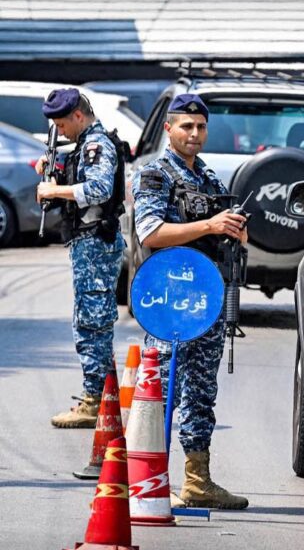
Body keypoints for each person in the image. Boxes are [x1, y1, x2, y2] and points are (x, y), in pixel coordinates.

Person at [131, 94, 248, 510]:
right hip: (170, 299)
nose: (194, 134)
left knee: (201, 392)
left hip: (208, 298)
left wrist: (234, 231)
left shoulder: (209, 178)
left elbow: (221, 227)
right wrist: (209, 225)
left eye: (200, 127)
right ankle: (148, 480)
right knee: (162, 389)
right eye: (186, 126)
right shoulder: (155, 175)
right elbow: (150, 232)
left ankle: (197, 480)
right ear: (169, 129)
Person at [36, 88, 126, 429]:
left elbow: (99, 189)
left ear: (78, 115)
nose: (60, 132)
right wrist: (55, 168)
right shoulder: (85, 145)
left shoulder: (96, 144)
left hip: (95, 246)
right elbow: (82, 176)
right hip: (89, 245)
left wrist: (54, 190)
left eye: (62, 124)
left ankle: (94, 401)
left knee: (92, 324)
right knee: (91, 322)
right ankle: (100, 396)